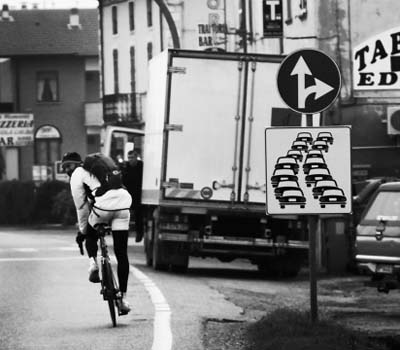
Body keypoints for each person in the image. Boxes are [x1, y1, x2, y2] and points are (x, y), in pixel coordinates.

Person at [61, 151, 132, 314]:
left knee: (90, 233)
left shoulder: (77, 175)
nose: (67, 170)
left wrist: (83, 231)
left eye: (68, 166)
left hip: (103, 208)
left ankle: (93, 264)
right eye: (64, 167)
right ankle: (123, 299)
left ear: (77, 164)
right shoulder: (99, 170)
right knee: (122, 254)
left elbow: (81, 207)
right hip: (124, 204)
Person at [121, 150, 144, 243]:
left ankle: (139, 233)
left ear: (136, 157)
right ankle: (124, 235)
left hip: (138, 195)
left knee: (139, 215)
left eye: (132, 158)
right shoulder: (125, 166)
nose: (130, 160)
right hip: (128, 194)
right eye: (129, 158)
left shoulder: (141, 166)